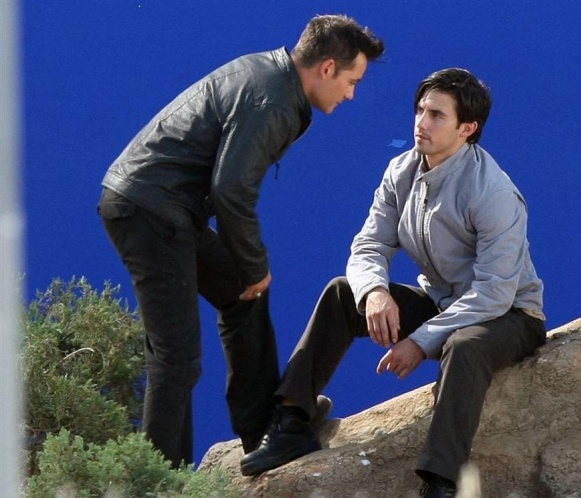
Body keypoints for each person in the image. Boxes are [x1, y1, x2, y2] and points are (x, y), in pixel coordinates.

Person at [239, 68, 546, 498]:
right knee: (342, 293)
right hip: (444, 303)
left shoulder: (492, 192)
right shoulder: (400, 171)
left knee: (465, 346)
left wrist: (419, 340)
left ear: (467, 128)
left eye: (437, 115)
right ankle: (292, 421)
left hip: (509, 315)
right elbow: (369, 245)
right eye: (420, 110)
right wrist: (374, 292)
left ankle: (441, 481)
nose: (422, 122)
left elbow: (494, 292)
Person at [97, 14, 384, 468]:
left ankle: (265, 430)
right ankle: (159, 482)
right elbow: (230, 189)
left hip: (164, 208)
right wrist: (253, 265)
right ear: (327, 68)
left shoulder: (271, 76)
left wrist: (249, 273)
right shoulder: (272, 98)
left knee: (244, 293)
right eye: (352, 82)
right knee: (177, 358)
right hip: (150, 211)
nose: (351, 94)